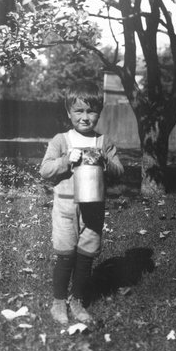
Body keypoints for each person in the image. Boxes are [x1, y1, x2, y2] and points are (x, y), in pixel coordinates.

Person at [40, 81, 124, 325]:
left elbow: (120, 170)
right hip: (66, 209)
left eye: (91, 111)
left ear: (99, 112)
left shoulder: (103, 142)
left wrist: (106, 163)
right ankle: (58, 303)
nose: (85, 117)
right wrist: (66, 160)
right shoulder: (61, 140)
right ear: (69, 112)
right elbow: (45, 170)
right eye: (79, 111)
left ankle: (77, 301)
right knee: (66, 256)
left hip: (93, 211)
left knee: (86, 256)